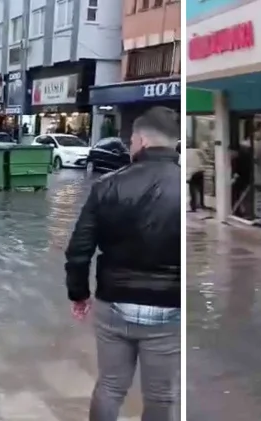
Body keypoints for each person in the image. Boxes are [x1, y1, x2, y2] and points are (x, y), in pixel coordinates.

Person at [65, 106, 181, 421]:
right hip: (169, 309)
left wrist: (79, 294)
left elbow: (79, 249)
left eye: (131, 140)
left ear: (142, 140)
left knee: (111, 386)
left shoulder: (107, 185)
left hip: (113, 303)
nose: (130, 146)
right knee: (161, 395)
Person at [185, 145, 206, 212]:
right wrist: (202, 165)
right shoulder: (197, 150)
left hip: (190, 173)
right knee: (201, 189)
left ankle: (193, 207)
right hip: (199, 170)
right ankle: (202, 204)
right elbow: (205, 158)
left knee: (192, 190)